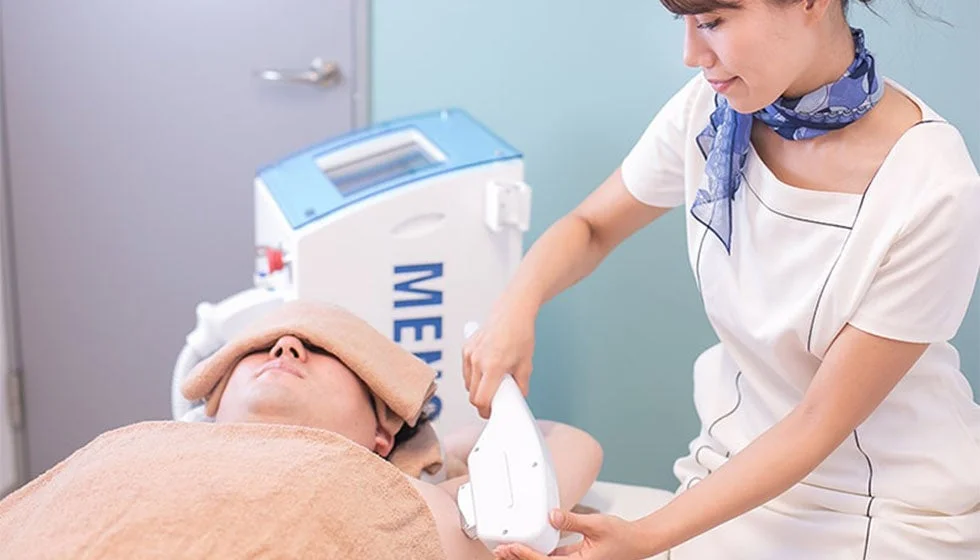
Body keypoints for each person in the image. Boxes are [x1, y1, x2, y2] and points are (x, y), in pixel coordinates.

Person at [464, 1, 980, 559]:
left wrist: (646, 536)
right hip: (732, 475)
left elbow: (817, 422)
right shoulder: (713, 113)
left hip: (885, 508)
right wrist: (515, 307)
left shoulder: (932, 186)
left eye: (712, 22)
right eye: (683, 23)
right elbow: (590, 228)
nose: (691, 54)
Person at [0, 304, 604, 559]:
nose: (286, 345)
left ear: (381, 433)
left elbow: (569, 448)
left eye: (322, 351)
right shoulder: (132, 444)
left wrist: (432, 454)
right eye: (260, 347)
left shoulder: (405, 495)